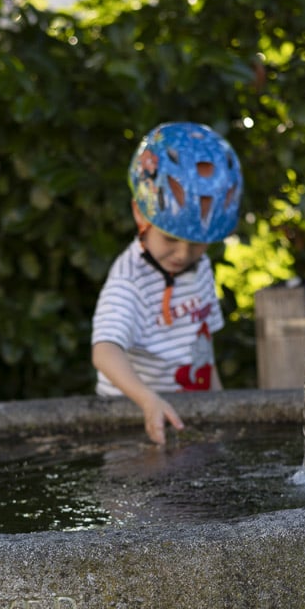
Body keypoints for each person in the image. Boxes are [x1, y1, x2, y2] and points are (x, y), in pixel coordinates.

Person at [91, 120, 243, 444]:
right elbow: (104, 353)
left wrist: (220, 408)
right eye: (172, 238)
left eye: (198, 242)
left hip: (188, 417)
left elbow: (204, 348)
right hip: (135, 424)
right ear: (140, 214)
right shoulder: (129, 281)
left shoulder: (199, 268)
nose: (184, 253)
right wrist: (148, 400)